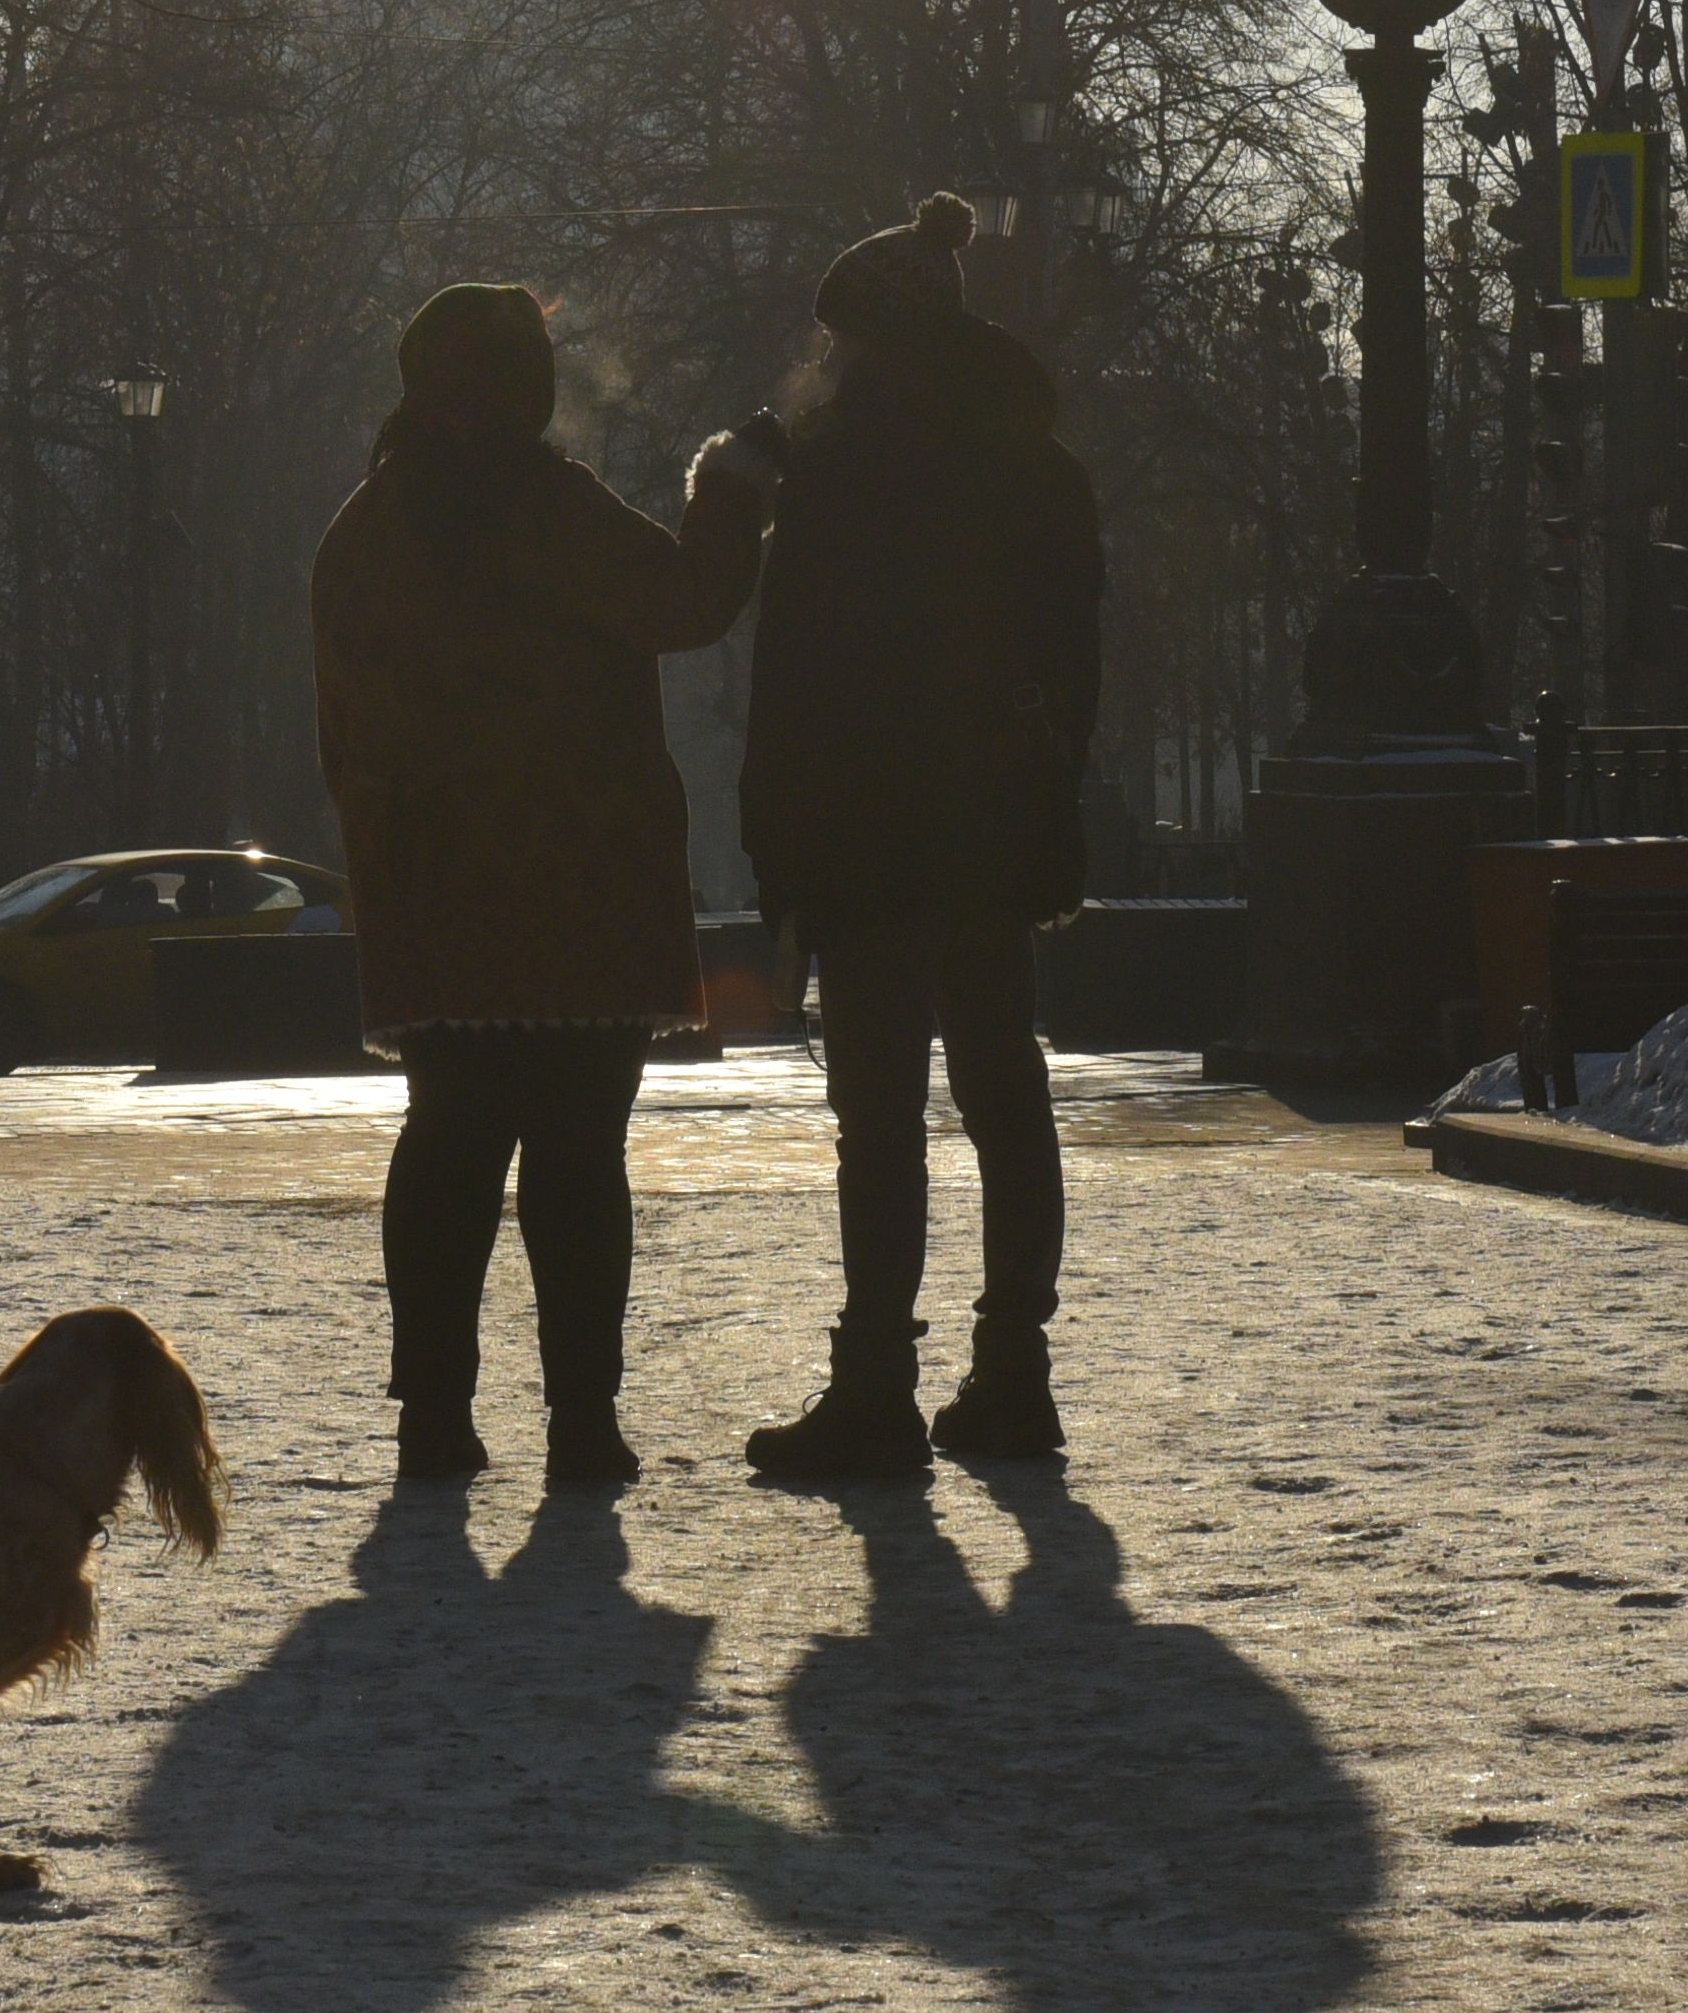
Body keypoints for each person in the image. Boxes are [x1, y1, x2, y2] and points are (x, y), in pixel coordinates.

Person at [309, 280, 768, 1485]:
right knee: (577, 1157)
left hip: (436, 889)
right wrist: (728, 489)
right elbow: (686, 602)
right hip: (579, 885)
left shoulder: (364, 530)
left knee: (447, 1145)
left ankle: (433, 1414)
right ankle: (581, 1418)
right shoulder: (547, 509)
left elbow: (342, 730)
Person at [733, 195, 1106, 1479]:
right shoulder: (1039, 466)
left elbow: (794, 684)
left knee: (880, 1114)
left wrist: (777, 855)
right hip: (996, 835)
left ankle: (875, 1386)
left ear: (876, 340)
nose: (826, 363)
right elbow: (1078, 668)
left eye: (840, 342)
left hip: (873, 837)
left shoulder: (839, 475)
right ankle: (1014, 1373)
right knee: (1007, 1094)